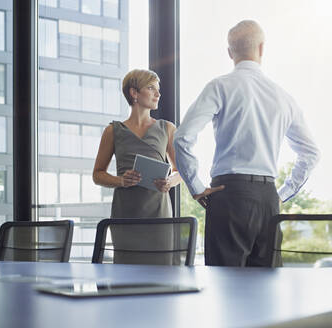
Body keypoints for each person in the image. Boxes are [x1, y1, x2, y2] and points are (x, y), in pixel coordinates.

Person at [173, 20, 320, 267]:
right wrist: (281, 194)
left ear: (230, 53)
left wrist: (196, 186)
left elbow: (183, 137)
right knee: (267, 290)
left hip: (228, 195)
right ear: (262, 48)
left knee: (226, 286)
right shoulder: (283, 97)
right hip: (268, 199)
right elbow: (311, 153)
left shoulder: (219, 86)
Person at [93, 69, 181, 219]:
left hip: (159, 212)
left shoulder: (167, 128)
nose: (158, 94)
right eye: (151, 88)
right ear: (134, 93)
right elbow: (97, 174)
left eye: (158, 90)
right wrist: (121, 180)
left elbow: (180, 171)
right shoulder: (112, 131)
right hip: (125, 213)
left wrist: (169, 182)